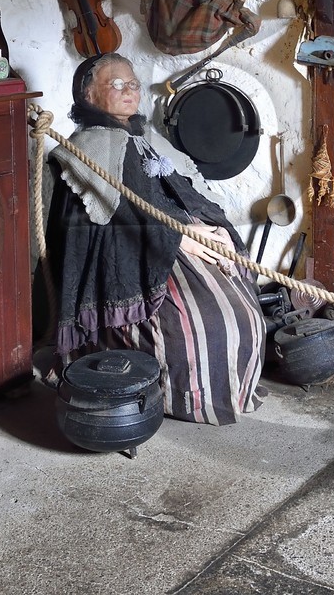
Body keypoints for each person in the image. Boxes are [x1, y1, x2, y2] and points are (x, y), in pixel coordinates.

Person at [44, 52, 265, 425]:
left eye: (133, 84)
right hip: (137, 252)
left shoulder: (140, 137)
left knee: (241, 305)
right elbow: (117, 217)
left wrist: (209, 226)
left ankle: (233, 391)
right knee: (210, 323)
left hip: (170, 234)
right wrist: (181, 237)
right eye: (117, 85)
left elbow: (172, 193)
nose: (130, 91)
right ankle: (184, 397)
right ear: (88, 96)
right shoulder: (89, 148)